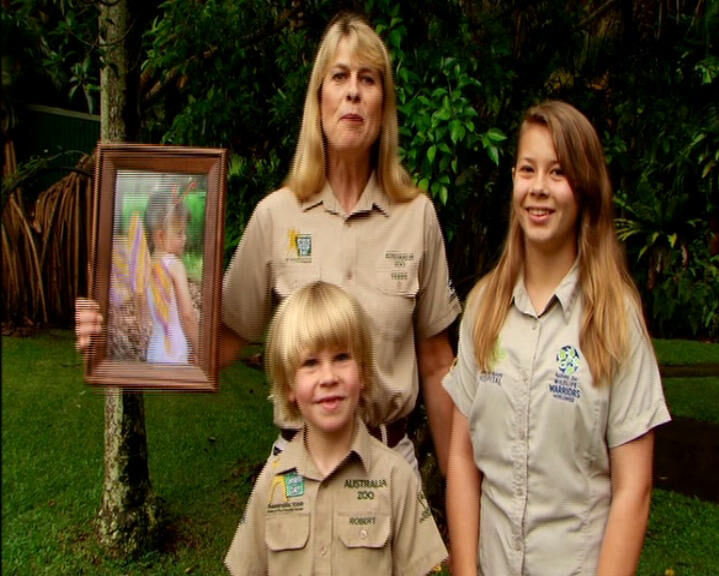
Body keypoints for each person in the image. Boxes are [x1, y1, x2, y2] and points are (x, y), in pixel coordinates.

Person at [76, 12, 460, 472]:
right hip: (298, 470)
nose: (353, 91)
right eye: (339, 76)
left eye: (369, 78)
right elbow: (220, 345)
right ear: (318, 100)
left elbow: (438, 367)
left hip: (389, 469)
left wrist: (461, 514)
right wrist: (112, 336)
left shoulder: (416, 217)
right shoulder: (276, 215)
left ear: (384, 103)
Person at [443, 100, 671, 575]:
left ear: (584, 188)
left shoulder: (614, 318)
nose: (539, 189)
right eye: (528, 169)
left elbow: (635, 488)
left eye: (558, 173)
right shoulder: (484, 307)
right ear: (513, 181)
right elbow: (463, 459)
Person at [225, 281, 447, 576]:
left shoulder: (396, 478)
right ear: (289, 384)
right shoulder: (272, 480)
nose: (328, 377)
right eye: (310, 363)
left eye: (342, 357)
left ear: (364, 373)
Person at [142, 190, 198, 363]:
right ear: (160, 236)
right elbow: (187, 314)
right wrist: (200, 349)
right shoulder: (174, 265)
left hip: (154, 350)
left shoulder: (147, 265)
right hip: (175, 352)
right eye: (179, 233)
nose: (185, 238)